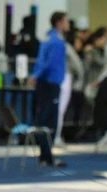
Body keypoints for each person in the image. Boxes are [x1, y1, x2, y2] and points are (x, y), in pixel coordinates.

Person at [28, 11, 70, 167]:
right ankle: (47, 156)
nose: (68, 24)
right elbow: (49, 63)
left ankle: (45, 156)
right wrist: (37, 75)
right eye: (66, 21)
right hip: (50, 84)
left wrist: (35, 75)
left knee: (43, 119)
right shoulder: (57, 42)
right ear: (59, 22)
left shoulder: (47, 38)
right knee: (48, 122)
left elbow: (41, 61)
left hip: (44, 83)